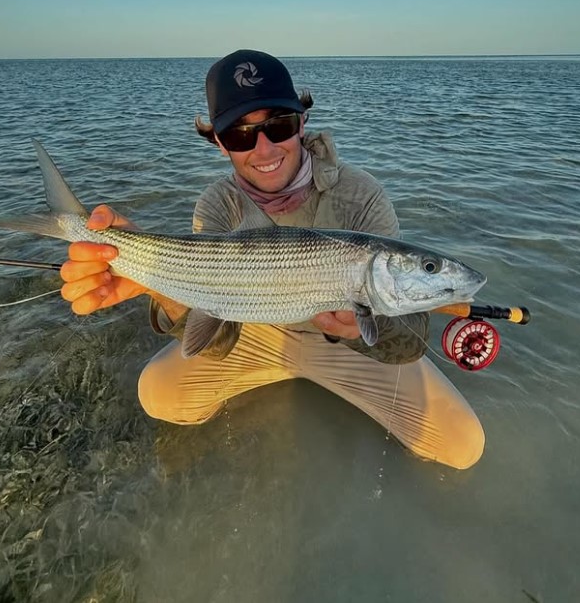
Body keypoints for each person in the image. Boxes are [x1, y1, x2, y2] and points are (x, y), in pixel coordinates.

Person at [60, 49, 485, 469]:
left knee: (461, 445)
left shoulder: (363, 195)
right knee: (160, 393)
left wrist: (361, 329)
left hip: (347, 348)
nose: (263, 150)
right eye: (240, 135)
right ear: (219, 144)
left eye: (278, 125)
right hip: (254, 333)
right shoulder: (217, 204)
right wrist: (153, 279)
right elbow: (219, 340)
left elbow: (410, 341)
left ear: (302, 123)